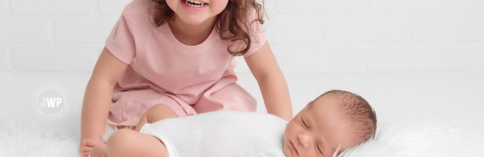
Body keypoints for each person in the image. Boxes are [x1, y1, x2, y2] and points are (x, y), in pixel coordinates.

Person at [79, 0, 292, 157]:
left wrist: (282, 131)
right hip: (152, 91)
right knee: (161, 125)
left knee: (237, 115)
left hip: (210, 89)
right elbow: (103, 79)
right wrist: (91, 141)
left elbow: (268, 74)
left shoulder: (240, 18)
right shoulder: (137, 17)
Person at [102, 90, 377, 157]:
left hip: (178, 151)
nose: (303, 139)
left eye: (318, 147)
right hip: (185, 127)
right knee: (159, 109)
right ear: (303, 108)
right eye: (305, 122)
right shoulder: (280, 124)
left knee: (118, 141)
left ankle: (112, 152)